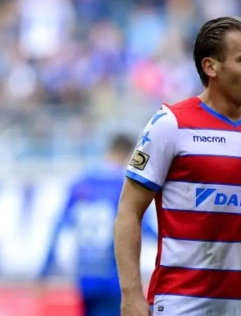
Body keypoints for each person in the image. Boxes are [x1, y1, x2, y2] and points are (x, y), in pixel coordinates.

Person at [114, 16, 241, 316]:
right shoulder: (171, 125)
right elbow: (129, 210)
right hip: (179, 306)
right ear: (211, 67)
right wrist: (131, 294)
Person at [39, 134, 156, 316]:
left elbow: (60, 225)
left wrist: (45, 267)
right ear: (127, 155)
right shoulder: (124, 185)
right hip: (113, 276)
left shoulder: (81, 182)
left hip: (85, 275)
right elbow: (141, 224)